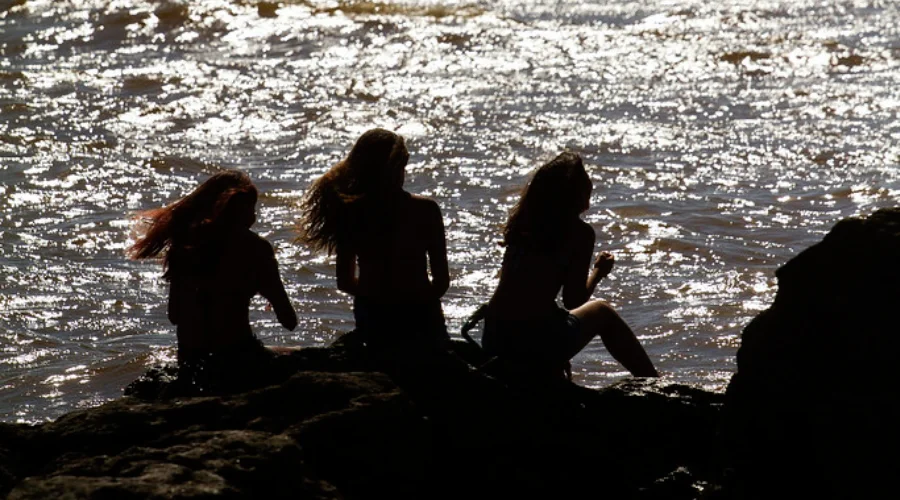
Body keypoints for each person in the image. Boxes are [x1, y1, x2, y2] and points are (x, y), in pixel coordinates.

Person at [482, 152, 659, 380]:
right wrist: (599, 272)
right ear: (575, 194)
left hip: (495, 336)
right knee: (603, 312)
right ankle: (651, 381)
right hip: (531, 341)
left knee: (555, 321)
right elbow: (573, 300)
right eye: (586, 187)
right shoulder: (579, 233)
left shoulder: (523, 225)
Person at [128, 169, 298, 373]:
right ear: (241, 208)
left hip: (191, 363)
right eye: (253, 209)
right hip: (236, 359)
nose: (254, 216)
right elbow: (289, 321)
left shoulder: (185, 246)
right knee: (301, 356)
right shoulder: (256, 248)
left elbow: (174, 315)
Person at [299, 128, 450, 353]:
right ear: (395, 168)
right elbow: (441, 281)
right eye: (403, 165)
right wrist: (410, 301)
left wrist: (381, 296)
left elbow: (345, 282)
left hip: (374, 315)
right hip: (420, 315)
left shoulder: (351, 212)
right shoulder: (426, 210)